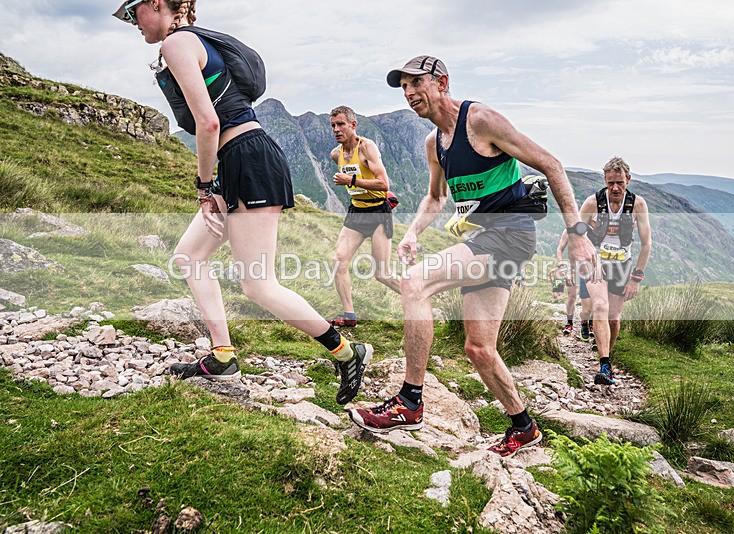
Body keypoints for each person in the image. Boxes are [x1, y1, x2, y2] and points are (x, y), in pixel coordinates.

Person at [112, 0, 371, 405]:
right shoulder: (192, 41)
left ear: (157, 3)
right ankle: (222, 356)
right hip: (238, 160)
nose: (131, 23)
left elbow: (209, 122)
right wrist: (217, 182)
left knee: (257, 284)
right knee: (189, 257)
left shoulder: (177, 43)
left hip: (248, 158)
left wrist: (203, 185)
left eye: (132, 12)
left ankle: (347, 351)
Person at [349, 55, 596, 457]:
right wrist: (412, 232)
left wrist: (578, 235)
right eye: (404, 87)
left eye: (417, 83)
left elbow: (551, 164)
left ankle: (410, 402)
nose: (410, 93)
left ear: (441, 82)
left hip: (510, 235)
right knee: (479, 349)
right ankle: (524, 427)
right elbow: (435, 196)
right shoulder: (435, 143)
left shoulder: (480, 121)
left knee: (415, 282)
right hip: (483, 239)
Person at [578, 157, 651, 385]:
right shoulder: (592, 203)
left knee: (614, 319)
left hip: (622, 265)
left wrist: (636, 278)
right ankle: (605, 365)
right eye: (610, 183)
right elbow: (576, 232)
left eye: (620, 182)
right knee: (599, 305)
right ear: (605, 181)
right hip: (595, 261)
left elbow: (646, 243)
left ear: (628, 180)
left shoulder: (637, 205)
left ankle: (605, 349)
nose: (615, 188)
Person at [328, 106, 401, 327]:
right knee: (338, 261)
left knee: (382, 274)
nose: (336, 130)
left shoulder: (367, 148)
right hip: (357, 211)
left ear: (353, 124)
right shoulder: (335, 154)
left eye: (340, 124)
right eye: (333, 126)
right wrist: (352, 184)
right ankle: (349, 317)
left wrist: (350, 181)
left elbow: (383, 183)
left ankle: (418, 297)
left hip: (378, 212)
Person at [555, 230, 580, 335]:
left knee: (592, 298)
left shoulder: (593, 227)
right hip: (572, 267)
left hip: (590, 267)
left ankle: (591, 324)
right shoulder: (568, 230)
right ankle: (569, 323)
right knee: (571, 297)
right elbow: (560, 249)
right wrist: (562, 267)